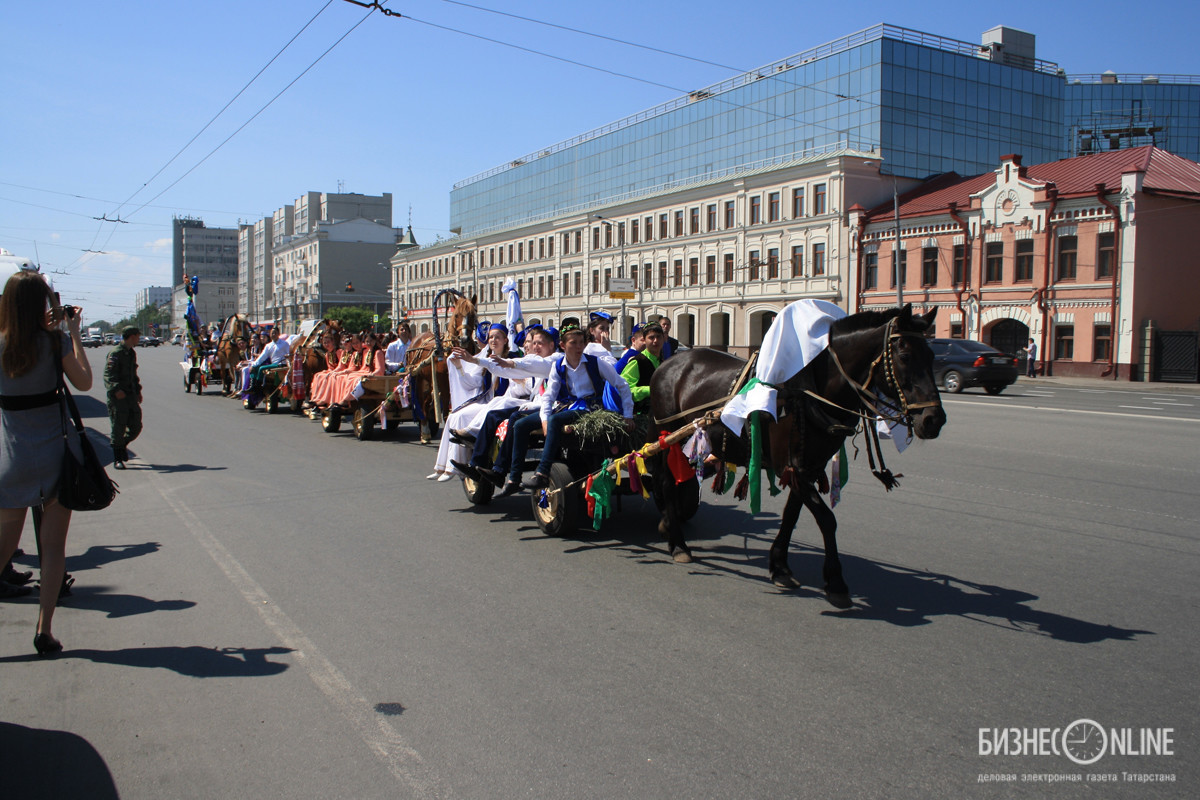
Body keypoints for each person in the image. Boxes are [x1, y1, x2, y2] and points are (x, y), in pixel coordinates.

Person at [0, 270, 93, 654]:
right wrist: (72, 330)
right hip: (55, 458)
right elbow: (85, 382)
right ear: (44, 302)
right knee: (52, 549)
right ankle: (45, 629)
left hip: (12, 460)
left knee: (2, 548)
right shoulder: (54, 343)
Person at [506, 324, 633, 492]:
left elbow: (622, 385)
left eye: (581, 342)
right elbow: (549, 397)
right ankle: (514, 479)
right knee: (521, 424)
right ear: (563, 346)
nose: (579, 347)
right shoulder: (558, 366)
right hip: (566, 406)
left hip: (589, 408)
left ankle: (543, 472)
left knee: (555, 420)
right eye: (574, 343)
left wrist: (628, 415)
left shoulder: (596, 363)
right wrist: (543, 420)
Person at [450, 325, 559, 482]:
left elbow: (532, 365)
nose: (535, 347)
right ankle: (475, 462)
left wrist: (511, 364)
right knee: (494, 415)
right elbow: (511, 371)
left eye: (540, 343)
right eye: (533, 343)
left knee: (515, 418)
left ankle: (500, 470)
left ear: (551, 345)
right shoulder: (537, 361)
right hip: (535, 405)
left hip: (550, 408)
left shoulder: (555, 359)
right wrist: (475, 360)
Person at [104, 326, 142, 469]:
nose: (138, 339)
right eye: (137, 336)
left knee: (136, 426)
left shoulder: (131, 353)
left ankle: (122, 446)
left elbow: (134, 375)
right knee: (118, 427)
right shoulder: (115, 353)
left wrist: (138, 391)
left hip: (130, 396)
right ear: (132, 337)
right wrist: (115, 389)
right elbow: (108, 375)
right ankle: (117, 459)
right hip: (118, 398)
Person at [620, 321, 666, 414]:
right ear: (644, 340)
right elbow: (624, 390)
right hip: (641, 417)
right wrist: (649, 390)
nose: (655, 341)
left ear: (663, 339)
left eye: (658, 337)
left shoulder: (663, 362)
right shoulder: (637, 362)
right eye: (651, 337)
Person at [247, 325, 290, 394]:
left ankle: (258, 387)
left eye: (275, 333)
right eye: (272, 333)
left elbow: (289, 354)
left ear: (278, 334)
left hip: (281, 364)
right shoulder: (268, 345)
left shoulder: (284, 344)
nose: (273, 335)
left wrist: (287, 359)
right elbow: (262, 357)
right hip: (273, 364)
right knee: (255, 367)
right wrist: (254, 365)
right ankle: (252, 386)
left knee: (261, 368)